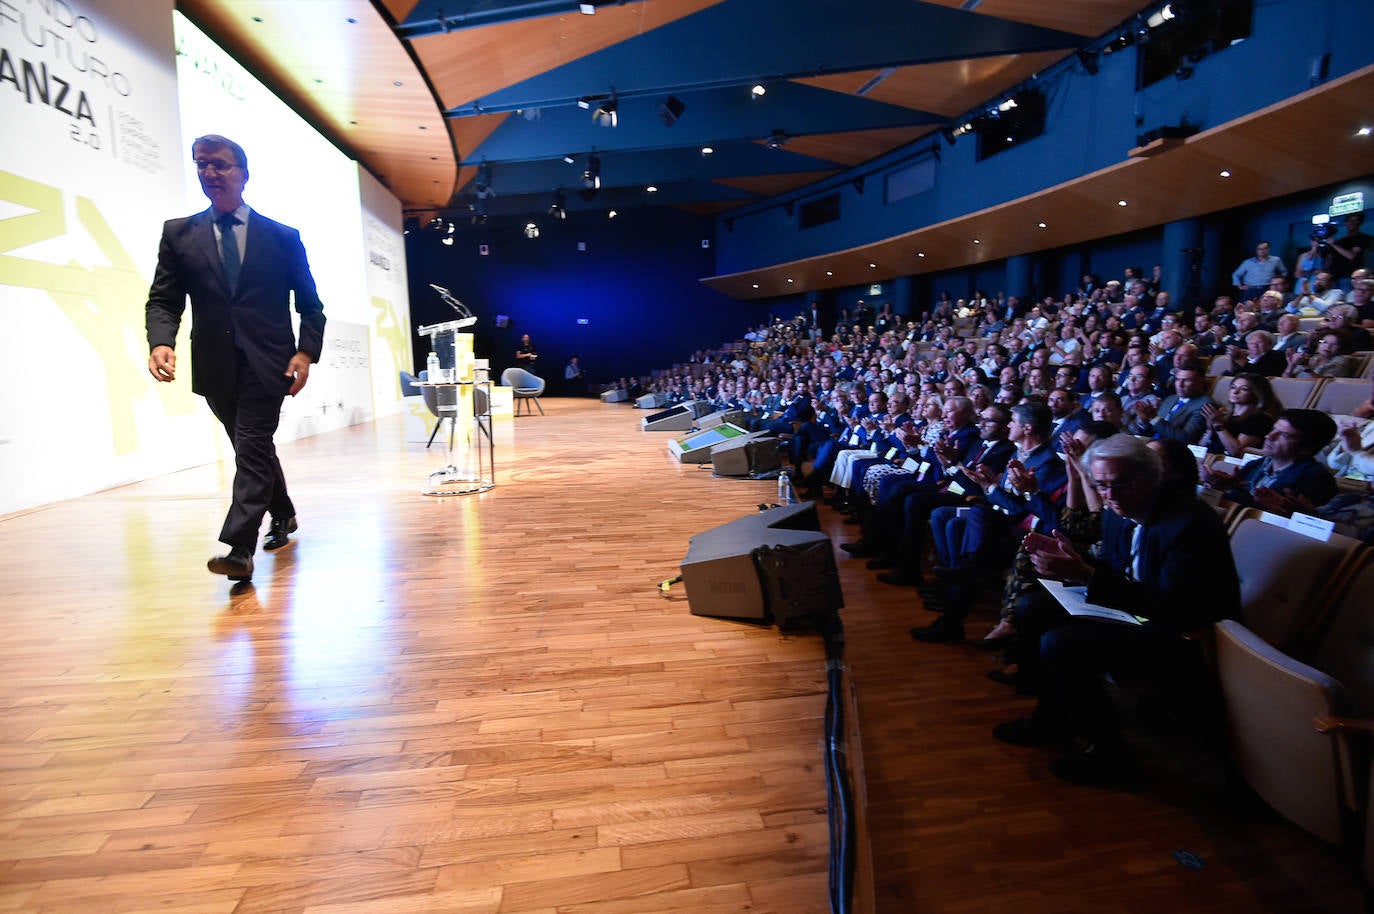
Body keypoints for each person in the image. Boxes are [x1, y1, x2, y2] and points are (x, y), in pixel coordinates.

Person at [996, 434, 1241, 784]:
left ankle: (1109, 753)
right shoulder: (1117, 513)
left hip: (1180, 630)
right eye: (1102, 486)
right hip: (1135, 610)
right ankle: (1053, 718)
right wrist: (1078, 562)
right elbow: (1115, 568)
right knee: (1033, 607)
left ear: (1151, 477)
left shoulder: (1189, 523)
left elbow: (1176, 605)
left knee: (1061, 643)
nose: (1109, 495)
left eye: (1119, 484)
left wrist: (1084, 574)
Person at [145, 134, 326, 582]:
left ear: (243, 173)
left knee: (251, 444)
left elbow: (311, 305)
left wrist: (305, 352)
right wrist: (160, 340)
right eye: (202, 165)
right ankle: (283, 512)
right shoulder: (178, 234)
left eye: (221, 165)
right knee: (253, 448)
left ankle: (239, 547)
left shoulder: (282, 237)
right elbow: (164, 299)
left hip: (269, 362)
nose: (211, 173)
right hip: (215, 364)